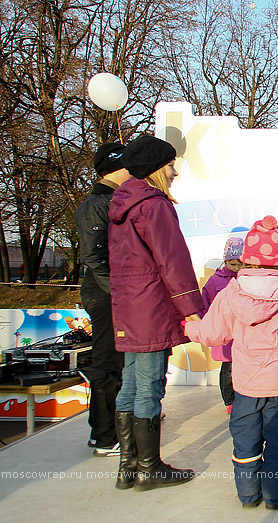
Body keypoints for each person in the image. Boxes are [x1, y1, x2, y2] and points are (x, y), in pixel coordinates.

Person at [185, 216, 278, 510]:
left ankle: (248, 494)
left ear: (248, 260)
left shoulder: (230, 294)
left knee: (245, 439)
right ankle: (276, 495)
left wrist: (188, 327)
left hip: (246, 386)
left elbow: (212, 334)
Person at [108, 135, 203, 491]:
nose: (175, 171)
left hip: (129, 306)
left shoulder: (124, 203)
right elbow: (172, 260)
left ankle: (128, 466)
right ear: (156, 168)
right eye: (170, 165)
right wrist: (192, 310)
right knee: (149, 386)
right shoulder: (154, 205)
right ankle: (149, 467)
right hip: (150, 305)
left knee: (130, 385)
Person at [74, 142, 131, 457]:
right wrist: (119, 293)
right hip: (105, 292)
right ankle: (104, 434)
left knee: (119, 361)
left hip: (114, 291)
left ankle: (120, 422)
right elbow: (95, 257)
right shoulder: (95, 204)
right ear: (116, 168)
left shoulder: (114, 200)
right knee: (108, 361)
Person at [200, 236, 244, 414]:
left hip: (244, 332)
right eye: (233, 264)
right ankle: (230, 400)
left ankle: (244, 397)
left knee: (243, 366)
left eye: (241, 264)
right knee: (227, 368)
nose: (237, 268)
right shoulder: (215, 281)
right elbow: (205, 305)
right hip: (225, 333)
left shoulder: (248, 279)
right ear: (226, 261)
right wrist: (207, 327)